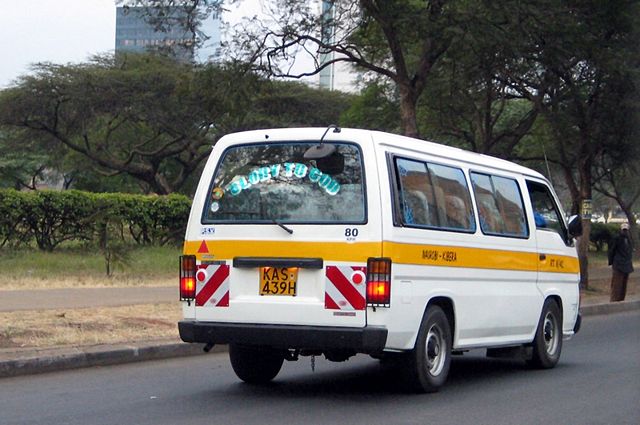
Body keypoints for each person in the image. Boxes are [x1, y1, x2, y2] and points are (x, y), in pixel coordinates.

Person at [608, 223, 634, 302]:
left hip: (625, 265)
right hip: (619, 265)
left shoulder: (629, 240)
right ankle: (615, 300)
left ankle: (621, 299)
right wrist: (611, 262)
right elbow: (612, 250)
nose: (625, 232)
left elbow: (629, 252)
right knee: (617, 285)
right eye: (624, 230)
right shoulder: (617, 238)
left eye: (626, 230)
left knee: (622, 285)